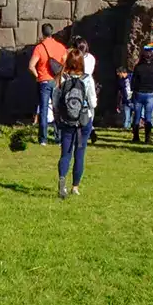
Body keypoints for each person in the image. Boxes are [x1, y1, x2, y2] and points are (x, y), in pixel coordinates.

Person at [55, 49, 96, 198]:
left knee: (65, 153)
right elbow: (93, 102)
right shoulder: (87, 79)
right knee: (80, 153)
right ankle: (75, 187)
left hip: (67, 120)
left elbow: (55, 99)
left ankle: (62, 181)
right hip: (83, 120)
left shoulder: (62, 78)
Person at [30, 24, 69, 146]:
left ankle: (43, 139)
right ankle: (58, 138)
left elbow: (31, 66)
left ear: (42, 33)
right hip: (56, 81)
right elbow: (66, 63)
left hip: (44, 81)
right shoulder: (60, 47)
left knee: (44, 109)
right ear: (52, 32)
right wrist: (60, 76)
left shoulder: (39, 48)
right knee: (57, 109)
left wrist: (38, 76)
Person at [129, 43, 153, 143]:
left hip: (139, 93)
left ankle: (136, 137)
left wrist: (133, 91)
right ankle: (147, 137)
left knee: (137, 115)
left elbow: (133, 81)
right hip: (150, 93)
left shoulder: (138, 68)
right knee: (148, 116)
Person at [117, 51, 135, 131]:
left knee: (132, 114)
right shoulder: (120, 81)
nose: (118, 76)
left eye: (119, 74)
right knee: (127, 115)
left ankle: (131, 126)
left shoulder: (132, 77)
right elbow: (120, 92)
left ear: (122, 72)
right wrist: (119, 103)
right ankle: (126, 127)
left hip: (133, 98)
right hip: (126, 100)